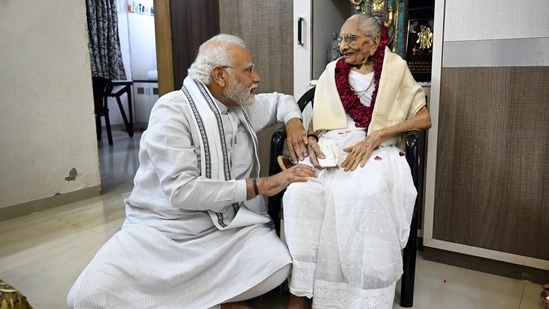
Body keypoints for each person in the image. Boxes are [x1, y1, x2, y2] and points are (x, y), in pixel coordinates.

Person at [67, 34, 316, 309]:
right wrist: (262, 186)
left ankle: (213, 297)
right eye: (248, 71)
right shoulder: (172, 112)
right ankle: (222, 297)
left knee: (277, 265)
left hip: (228, 229)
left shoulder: (242, 106)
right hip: (163, 231)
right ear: (220, 76)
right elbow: (183, 191)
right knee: (87, 297)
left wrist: (294, 122)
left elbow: (283, 100)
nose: (256, 77)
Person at [283, 14, 432, 309]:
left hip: (379, 146)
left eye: (350, 38)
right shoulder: (331, 71)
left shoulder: (396, 69)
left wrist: (378, 135)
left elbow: (423, 118)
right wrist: (311, 140)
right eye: (341, 39)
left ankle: (365, 295)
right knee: (300, 191)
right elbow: (316, 123)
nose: (342, 46)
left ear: (374, 42)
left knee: (368, 192)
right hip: (332, 146)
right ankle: (301, 290)